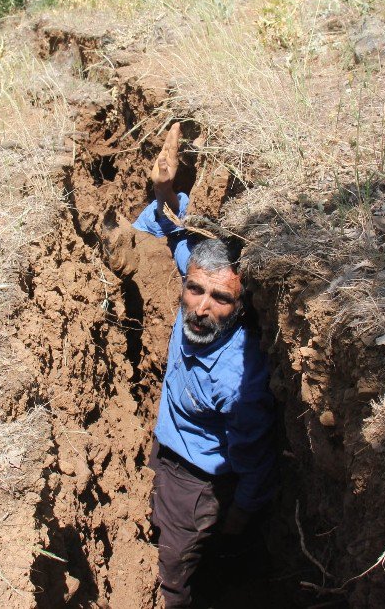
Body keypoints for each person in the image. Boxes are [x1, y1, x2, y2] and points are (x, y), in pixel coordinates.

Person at [114, 123, 276, 607]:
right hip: (166, 455)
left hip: (197, 485)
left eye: (220, 298)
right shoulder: (196, 272)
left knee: (172, 576)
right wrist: (164, 190)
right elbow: (164, 228)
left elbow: (257, 461)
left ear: (241, 303)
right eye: (196, 290)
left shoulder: (237, 381)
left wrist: (234, 523)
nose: (202, 307)